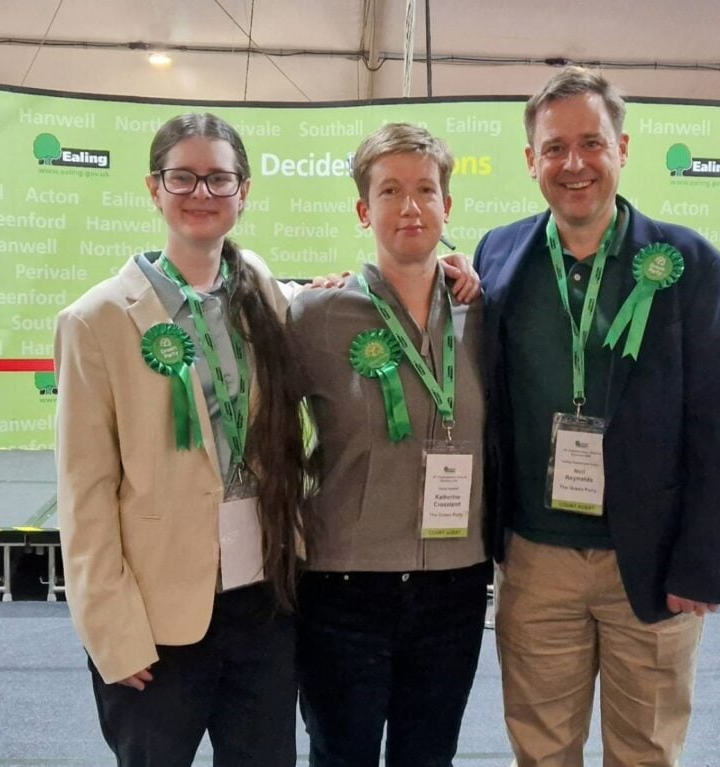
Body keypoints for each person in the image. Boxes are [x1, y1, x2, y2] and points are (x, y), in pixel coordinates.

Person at [473, 67, 720, 766]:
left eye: (591, 143)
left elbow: (719, 425)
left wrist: (701, 561)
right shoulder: (498, 255)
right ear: (531, 159)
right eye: (554, 147)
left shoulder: (691, 264)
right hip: (535, 558)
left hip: (654, 563)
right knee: (541, 751)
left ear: (623, 148)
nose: (573, 164)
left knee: (647, 752)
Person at [54, 112, 309, 766]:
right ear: (154, 188)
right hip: (156, 621)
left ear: (244, 191)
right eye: (184, 177)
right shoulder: (97, 320)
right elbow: (84, 493)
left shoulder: (266, 298)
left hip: (264, 605)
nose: (202, 194)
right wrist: (112, 632)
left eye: (219, 179)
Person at [287, 123, 491, 766]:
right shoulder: (314, 316)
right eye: (391, 191)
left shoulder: (484, 313)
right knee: (340, 756)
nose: (410, 207)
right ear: (362, 209)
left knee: (429, 758)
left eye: (426, 190)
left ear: (447, 206)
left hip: (455, 587)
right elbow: (263, 438)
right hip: (344, 589)